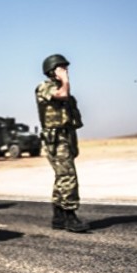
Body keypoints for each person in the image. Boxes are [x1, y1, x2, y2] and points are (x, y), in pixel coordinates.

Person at [35, 54, 89, 233]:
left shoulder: (66, 93)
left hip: (67, 137)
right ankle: (70, 216)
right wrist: (65, 80)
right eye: (62, 68)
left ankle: (58, 216)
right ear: (51, 71)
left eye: (66, 68)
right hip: (55, 139)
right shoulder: (44, 88)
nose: (66, 71)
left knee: (62, 176)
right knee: (68, 176)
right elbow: (62, 94)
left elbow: (75, 120)